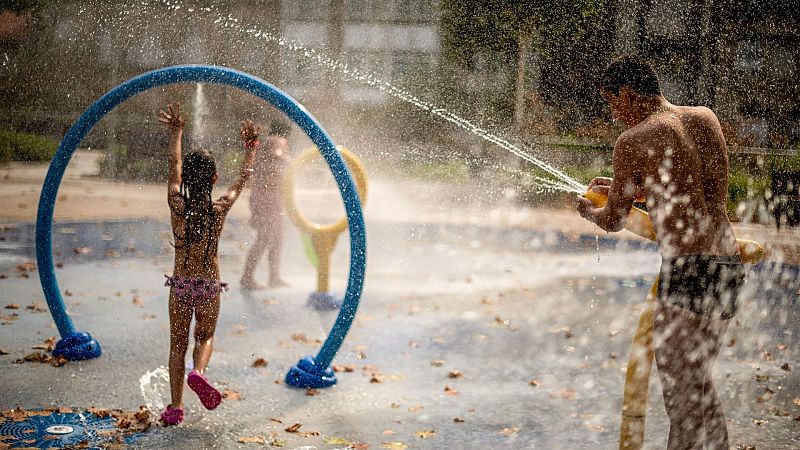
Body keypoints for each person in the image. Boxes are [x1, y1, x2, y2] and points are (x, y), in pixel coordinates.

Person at [575, 55, 745, 449]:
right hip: (727, 263)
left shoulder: (632, 141)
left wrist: (588, 210)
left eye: (612, 102)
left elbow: (614, 220)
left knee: (681, 399)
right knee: (699, 382)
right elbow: (700, 197)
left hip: (687, 270)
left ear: (629, 94)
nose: (615, 114)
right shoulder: (704, 117)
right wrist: (637, 188)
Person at [158, 103, 259, 426]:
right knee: (205, 337)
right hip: (208, 286)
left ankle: (175, 408)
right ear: (215, 177)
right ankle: (198, 373)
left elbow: (174, 163)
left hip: (182, 285)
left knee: (177, 344)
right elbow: (243, 178)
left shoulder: (176, 204)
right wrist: (251, 148)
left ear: (186, 177)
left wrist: (177, 132)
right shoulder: (220, 208)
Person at [240, 118, 292, 290]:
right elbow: (277, 154)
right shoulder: (277, 141)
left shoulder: (265, 142)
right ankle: (248, 278)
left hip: (268, 197)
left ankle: (274, 277)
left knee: (277, 238)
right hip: (267, 197)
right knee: (265, 238)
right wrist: (293, 163)